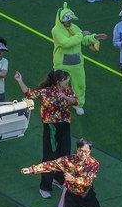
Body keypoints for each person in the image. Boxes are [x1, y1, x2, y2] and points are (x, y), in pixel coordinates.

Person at [14, 70, 77, 198]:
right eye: (65, 82)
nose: (67, 83)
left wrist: (65, 97)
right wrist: (20, 80)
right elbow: (28, 93)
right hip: (51, 127)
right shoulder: (45, 92)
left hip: (65, 125)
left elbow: (75, 101)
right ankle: (45, 187)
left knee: (65, 153)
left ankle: (59, 179)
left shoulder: (67, 90)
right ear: (58, 82)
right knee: (49, 156)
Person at [21, 138, 104, 207]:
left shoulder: (94, 163)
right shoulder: (67, 160)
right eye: (80, 151)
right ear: (77, 149)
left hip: (87, 196)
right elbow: (50, 165)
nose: (83, 154)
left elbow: (88, 181)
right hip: (71, 197)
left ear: (90, 151)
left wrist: (73, 179)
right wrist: (31, 169)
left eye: (86, 151)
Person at [51, 2, 108, 115]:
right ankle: (58, 103)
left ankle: (78, 104)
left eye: (70, 19)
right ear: (61, 19)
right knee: (61, 85)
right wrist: (81, 35)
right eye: (67, 19)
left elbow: (84, 39)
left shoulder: (74, 27)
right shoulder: (56, 30)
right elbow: (66, 43)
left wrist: (94, 37)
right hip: (62, 63)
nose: (69, 21)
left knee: (80, 85)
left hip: (77, 62)